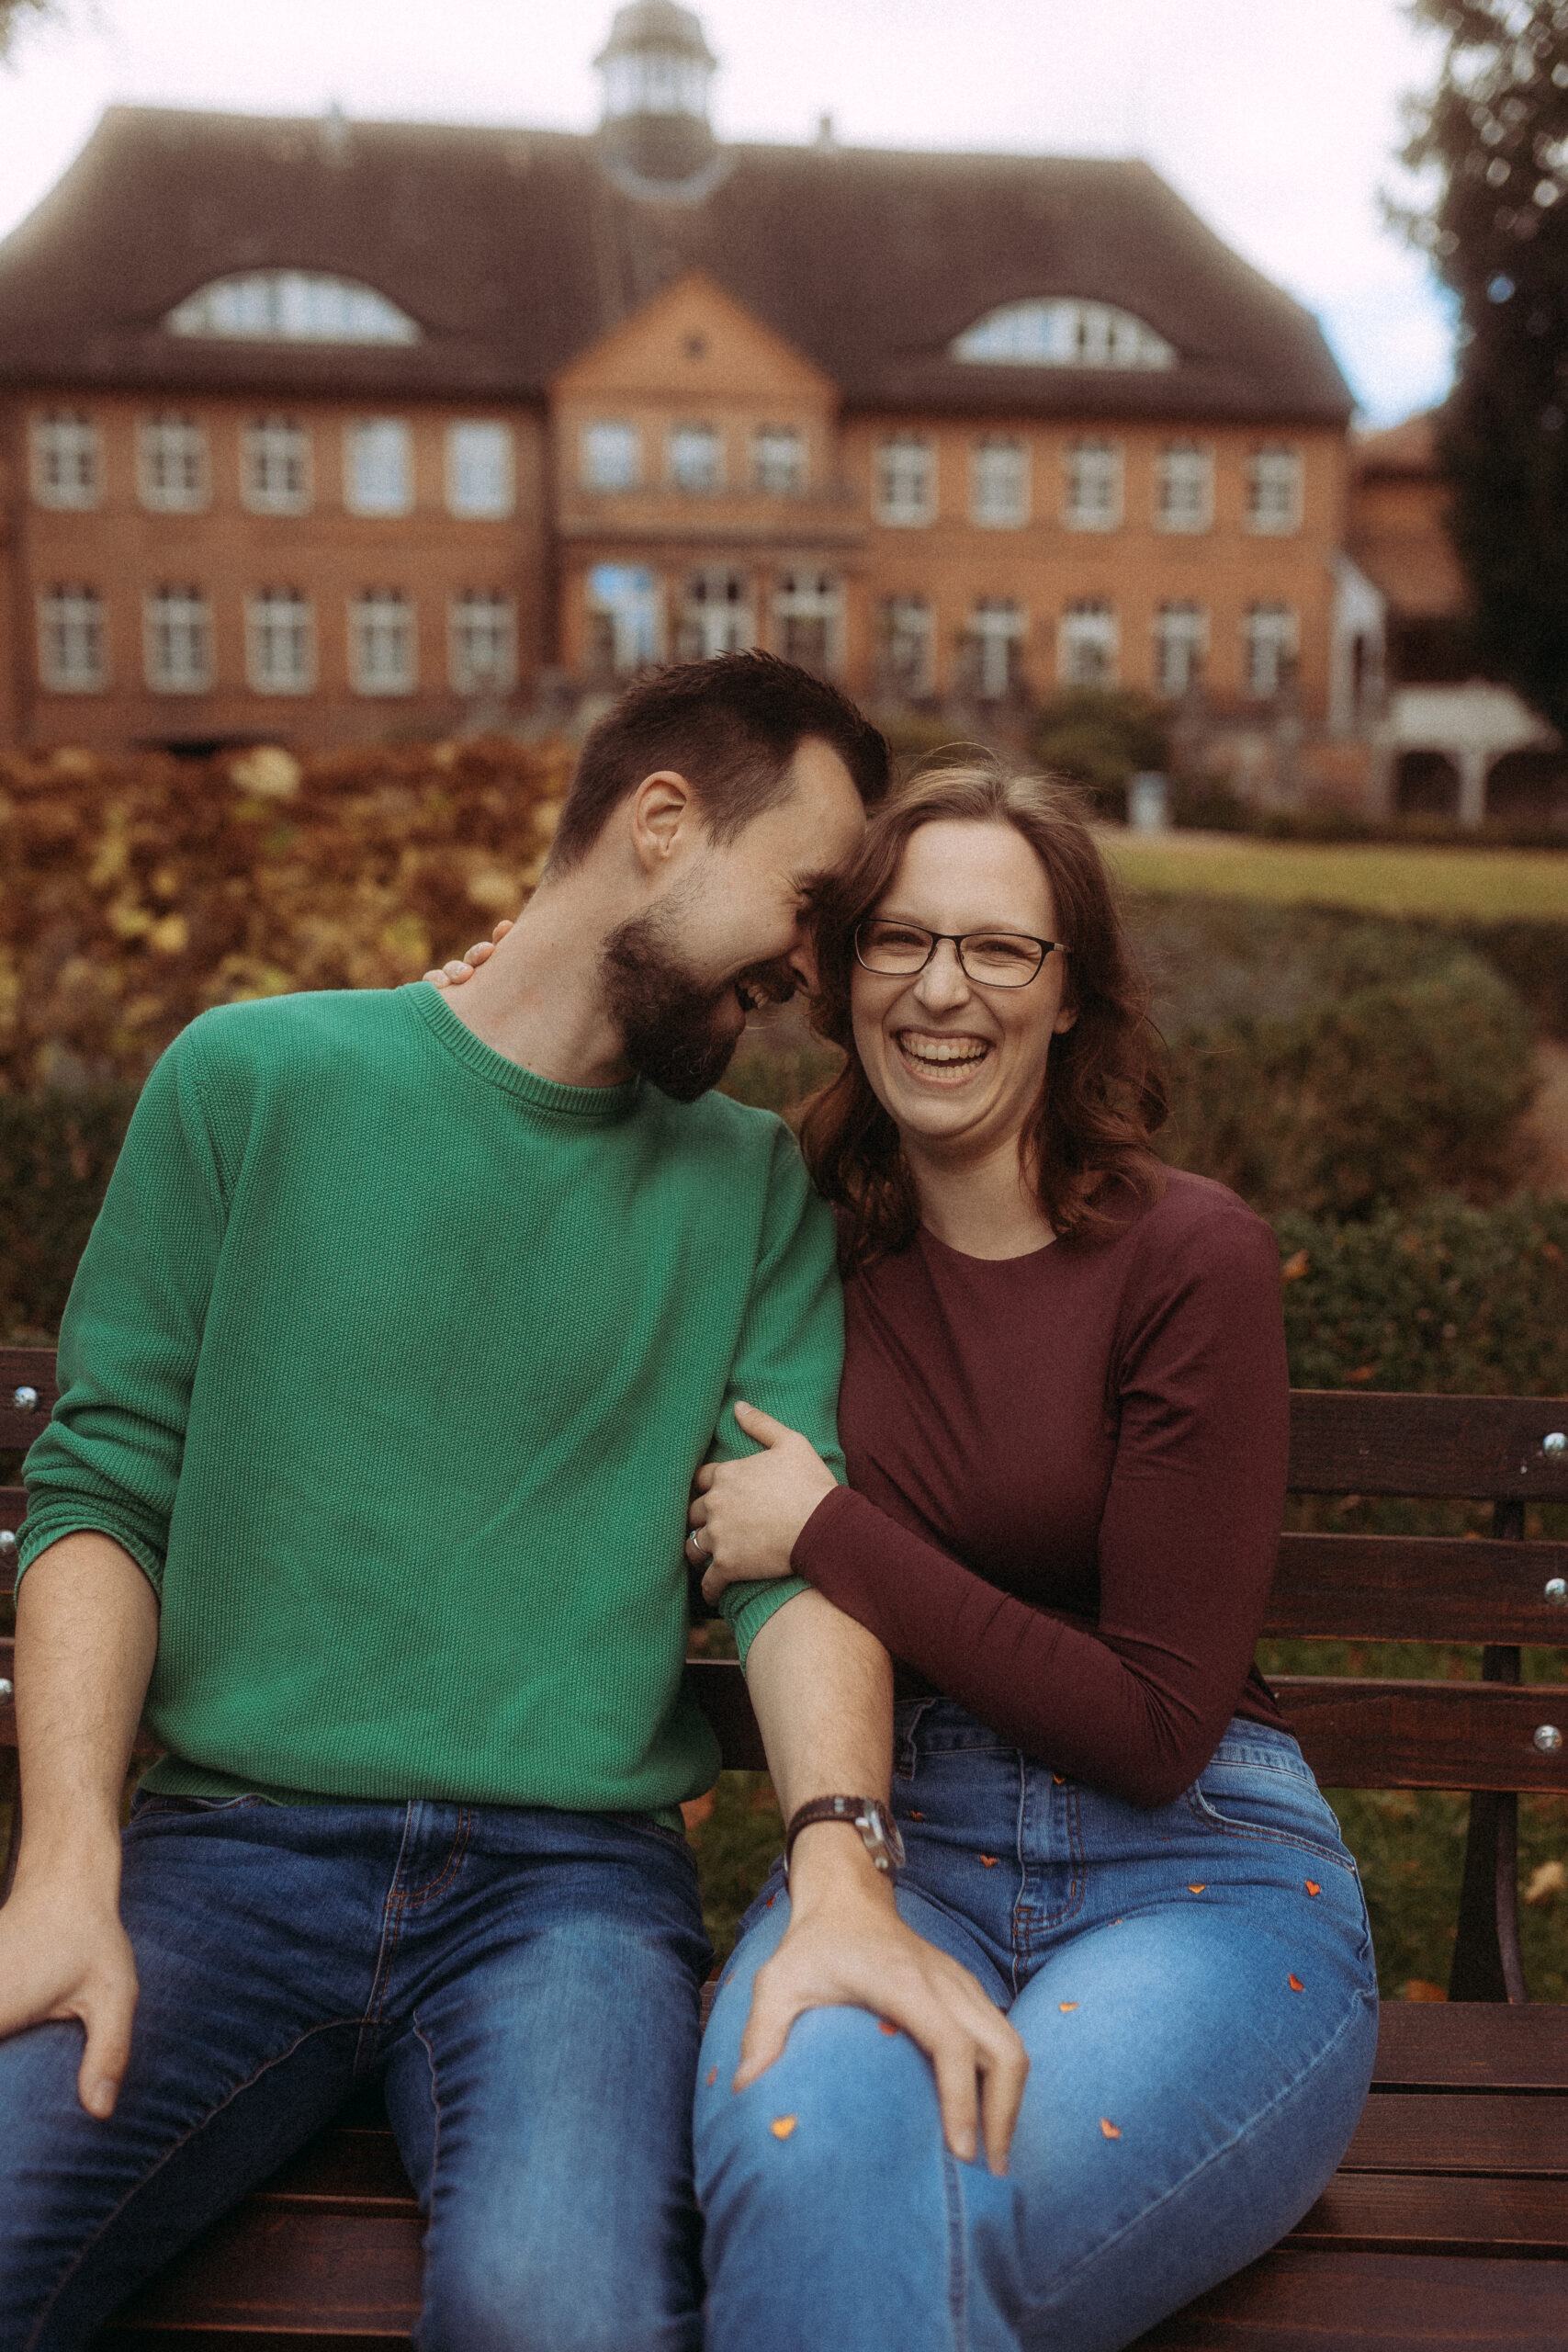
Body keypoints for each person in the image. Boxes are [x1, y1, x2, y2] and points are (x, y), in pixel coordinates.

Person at [0, 656, 1025, 2352]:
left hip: (563, 1897)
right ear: (661, 824)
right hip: (225, 1858)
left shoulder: (749, 1182)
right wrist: (60, 1870)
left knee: (559, 2316)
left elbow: (785, 1563)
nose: (814, 968)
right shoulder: (250, 1085)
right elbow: (103, 1494)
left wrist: (843, 1871)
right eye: (806, 903)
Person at [681, 757, 1381, 2352]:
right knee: (812, 2182)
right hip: (884, 1851)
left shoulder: (1187, 1257)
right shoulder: (786, 1220)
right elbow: (563, 1124)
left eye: (1001, 949)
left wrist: (830, 1534)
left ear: (1072, 998)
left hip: (1199, 1878)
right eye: (899, 941)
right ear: (841, 971)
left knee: (942, 2215)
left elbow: (1153, 1728)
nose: (943, 990)